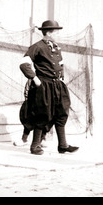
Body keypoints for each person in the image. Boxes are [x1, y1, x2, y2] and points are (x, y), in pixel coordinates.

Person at [19, 20, 78, 155]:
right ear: (50, 32)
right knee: (43, 114)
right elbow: (24, 63)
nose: (58, 34)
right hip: (44, 86)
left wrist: (61, 78)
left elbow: (60, 64)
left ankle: (63, 145)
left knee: (62, 112)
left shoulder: (56, 47)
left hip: (58, 85)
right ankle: (35, 146)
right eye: (56, 32)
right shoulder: (37, 47)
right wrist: (34, 78)